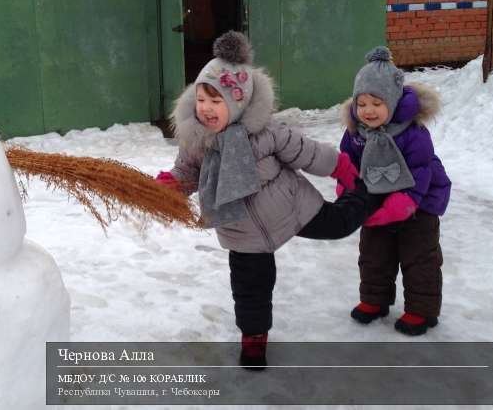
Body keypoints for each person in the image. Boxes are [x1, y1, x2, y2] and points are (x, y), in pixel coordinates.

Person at [155, 31, 383, 368]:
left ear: (237, 104)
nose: (206, 109)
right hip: (241, 229)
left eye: (216, 101)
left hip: (289, 207)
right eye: (201, 99)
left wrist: (342, 168)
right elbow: (186, 172)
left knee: (339, 225)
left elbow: (307, 152)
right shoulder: (197, 141)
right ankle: (254, 340)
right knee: (250, 288)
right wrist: (169, 186)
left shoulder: (266, 132)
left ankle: (370, 195)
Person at [339, 46, 451, 336]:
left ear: (393, 100)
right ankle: (374, 301)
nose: (368, 110)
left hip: (419, 203)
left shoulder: (412, 132)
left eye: (376, 102)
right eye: (361, 103)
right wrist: (348, 190)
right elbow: (347, 164)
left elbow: (421, 171)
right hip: (376, 201)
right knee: (374, 253)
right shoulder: (355, 133)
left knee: (419, 258)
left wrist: (404, 203)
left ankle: (422, 310)